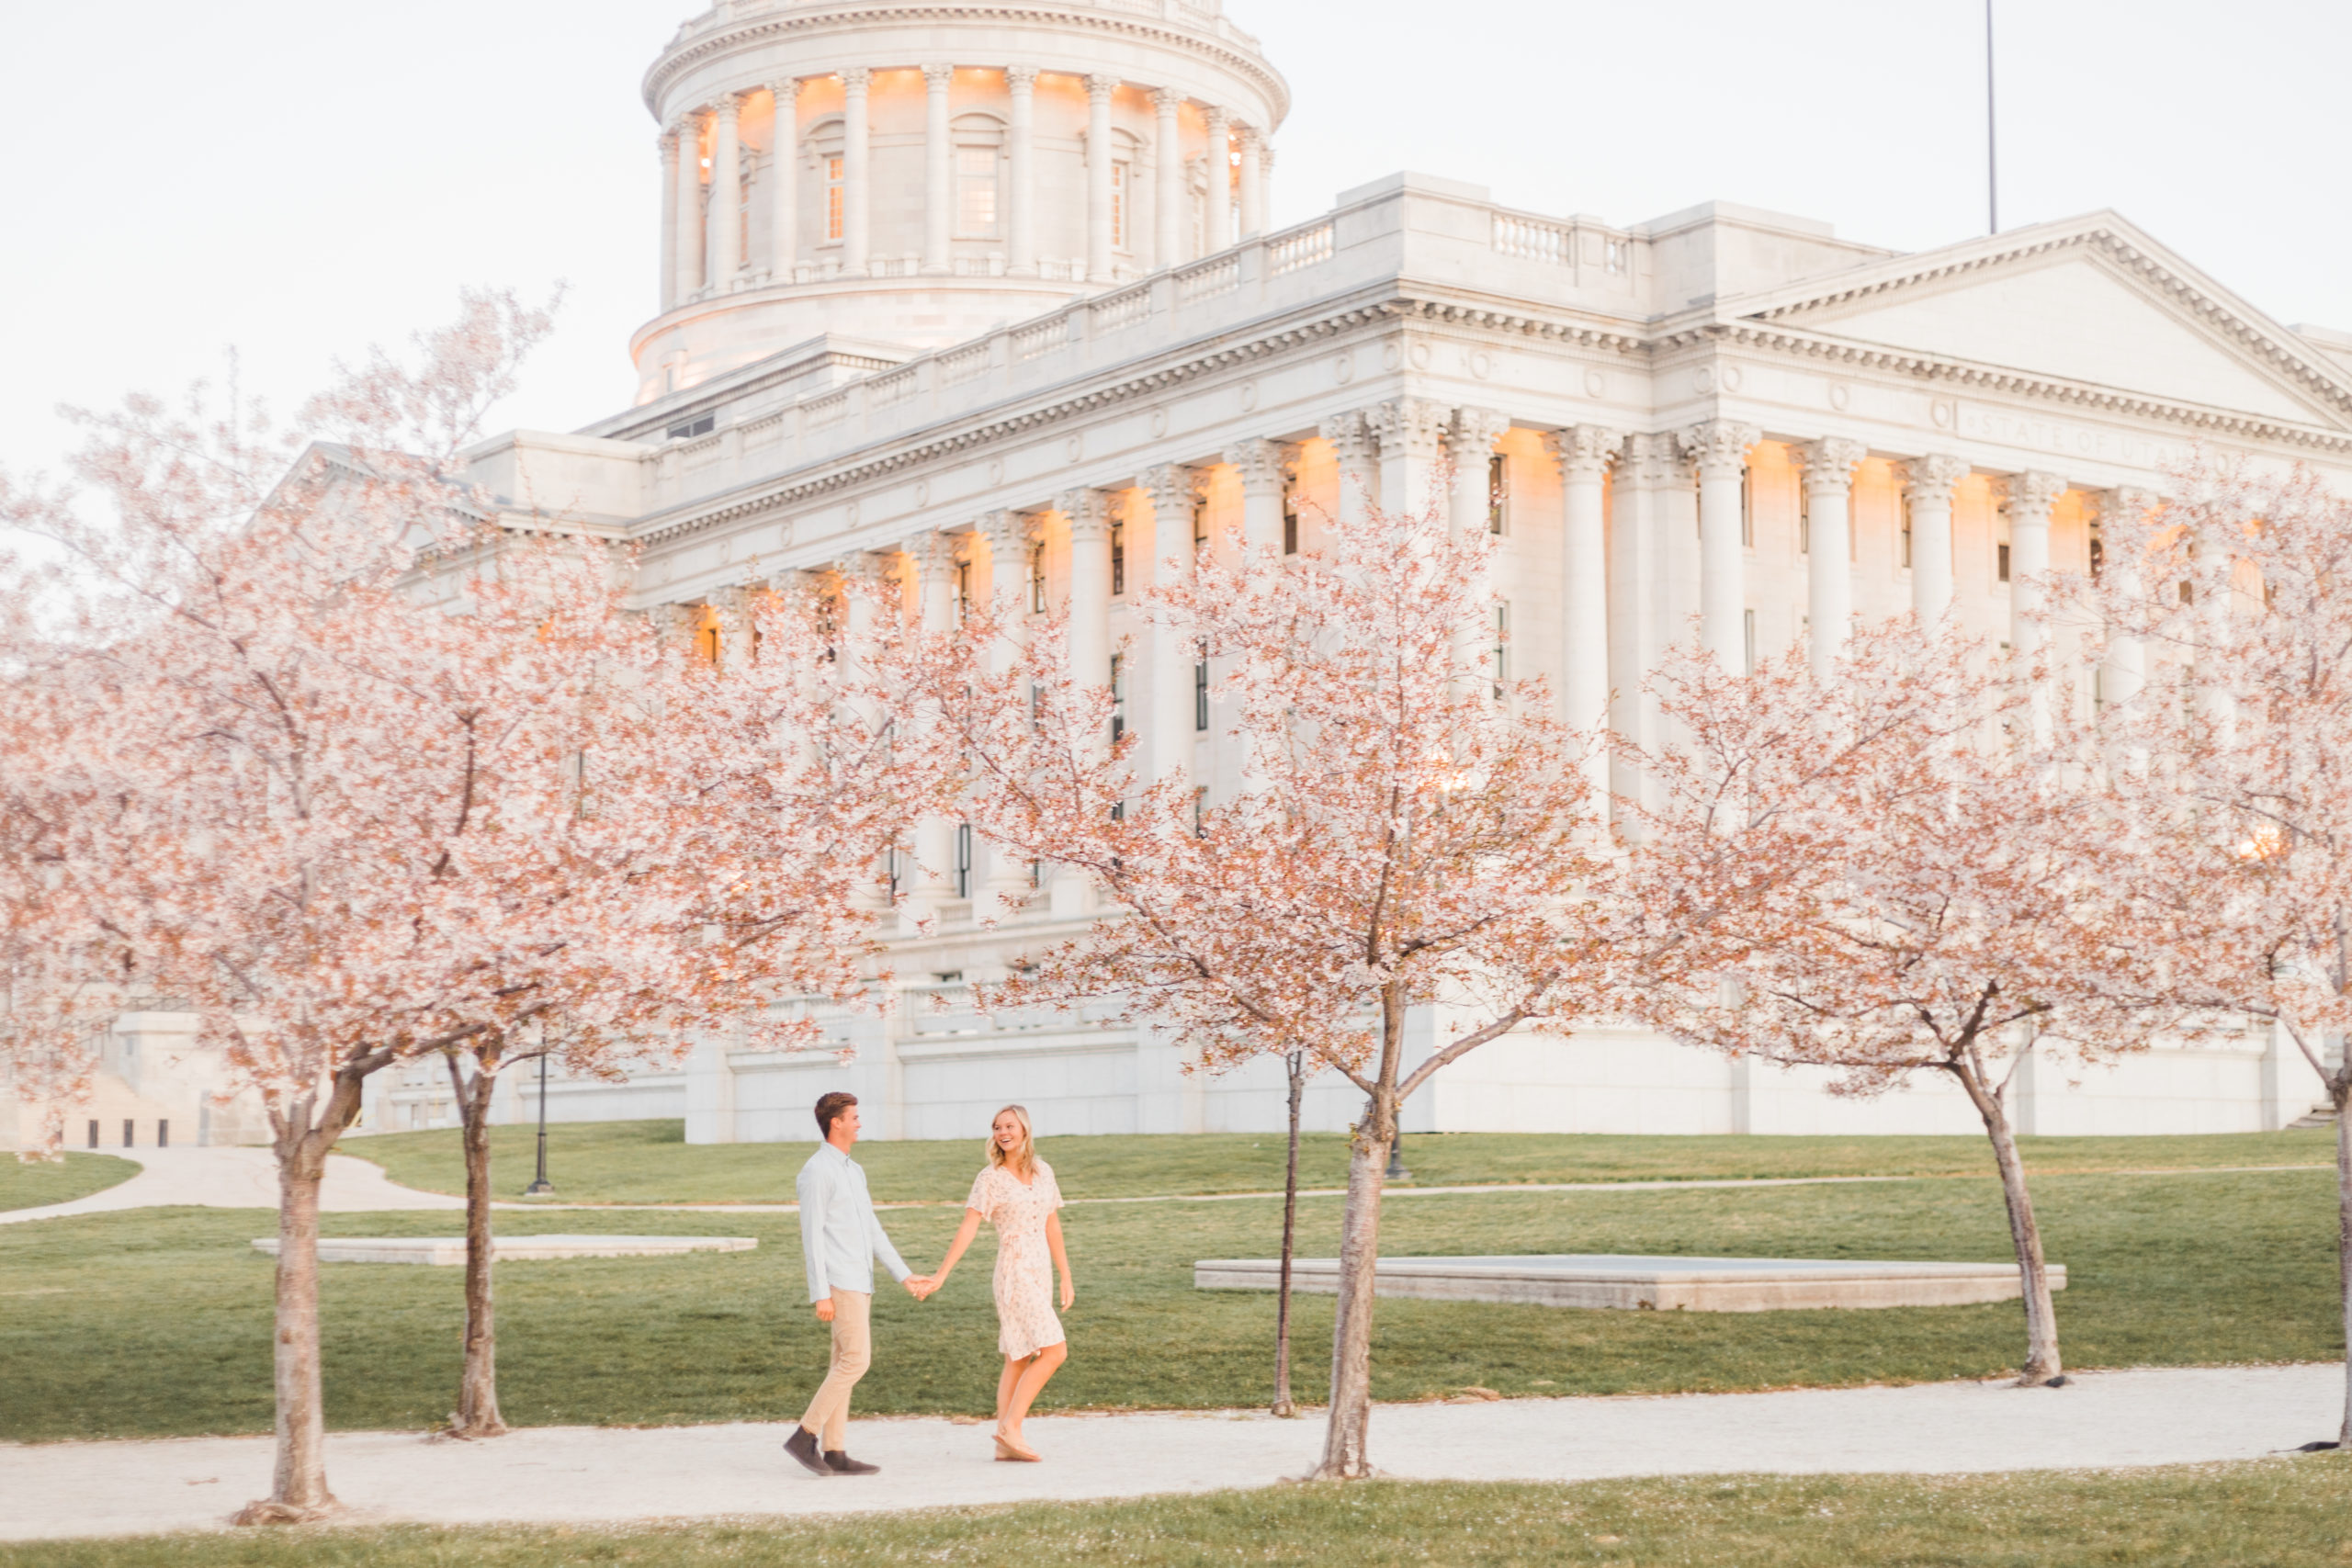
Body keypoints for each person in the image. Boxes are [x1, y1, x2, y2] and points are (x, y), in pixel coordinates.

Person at [913, 1104, 1074, 1462]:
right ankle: (1011, 1427)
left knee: (1017, 1358)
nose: (1003, 1132)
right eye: (997, 1127)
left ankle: (1005, 1446)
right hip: (1014, 1270)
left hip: (1040, 1269)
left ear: (1025, 1129)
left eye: (1010, 1126)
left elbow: (1053, 1224)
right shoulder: (989, 1178)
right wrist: (941, 1275)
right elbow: (968, 1227)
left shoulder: (1044, 1171)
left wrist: (1066, 1275)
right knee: (1054, 1350)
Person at [786, 1090, 927, 1478]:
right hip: (840, 1283)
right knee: (856, 1361)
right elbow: (811, 1236)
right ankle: (804, 1435)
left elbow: (873, 1230)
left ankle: (834, 1451)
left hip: (860, 1281)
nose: (859, 1123)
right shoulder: (817, 1171)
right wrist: (821, 1293)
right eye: (854, 1117)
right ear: (837, 1122)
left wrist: (904, 1274)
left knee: (841, 1364)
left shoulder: (853, 1170)